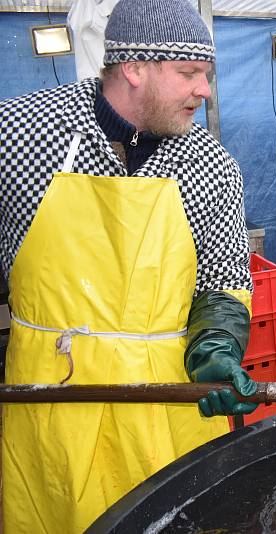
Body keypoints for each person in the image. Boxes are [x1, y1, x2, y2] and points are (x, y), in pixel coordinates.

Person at [0, 0, 259, 531]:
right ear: (134, 68)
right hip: (52, 399)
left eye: (206, 75)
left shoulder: (210, 164)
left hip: (164, 404)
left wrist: (215, 346)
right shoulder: (19, 134)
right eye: (189, 73)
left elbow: (224, 280)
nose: (204, 90)